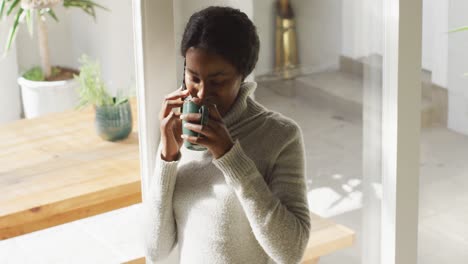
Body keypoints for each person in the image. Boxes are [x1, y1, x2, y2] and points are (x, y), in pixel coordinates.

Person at [143, 6, 310, 264]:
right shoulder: (178, 129)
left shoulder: (280, 136)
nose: (200, 93)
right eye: (193, 76)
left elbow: (291, 252)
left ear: (242, 75)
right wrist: (167, 155)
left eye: (217, 81)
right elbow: (156, 250)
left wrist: (230, 157)